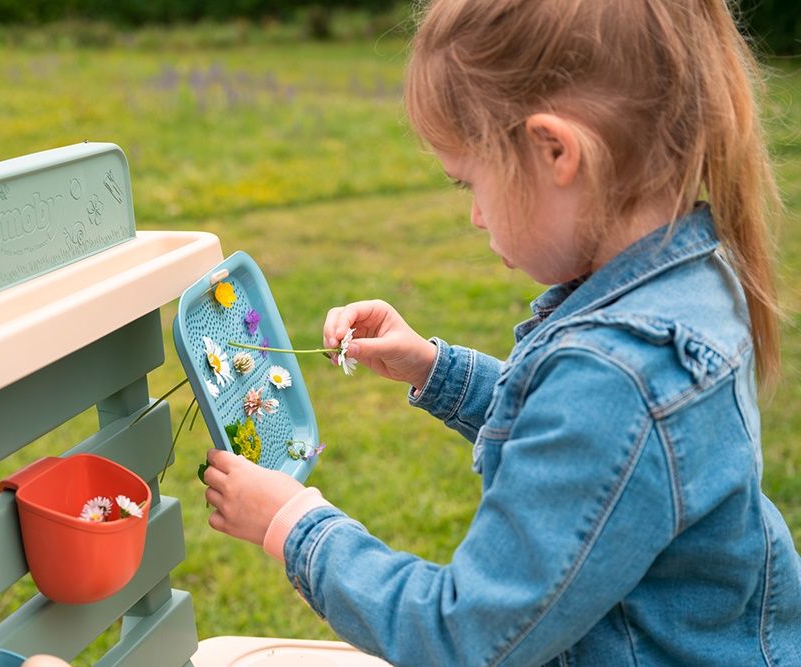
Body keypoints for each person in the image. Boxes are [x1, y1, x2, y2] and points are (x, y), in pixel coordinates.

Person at [200, 0, 801, 664]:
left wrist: (293, 524)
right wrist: (436, 369)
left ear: (555, 151)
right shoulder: (684, 283)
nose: (477, 219)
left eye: (470, 184)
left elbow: (464, 635)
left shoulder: (620, 371)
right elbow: (589, 448)